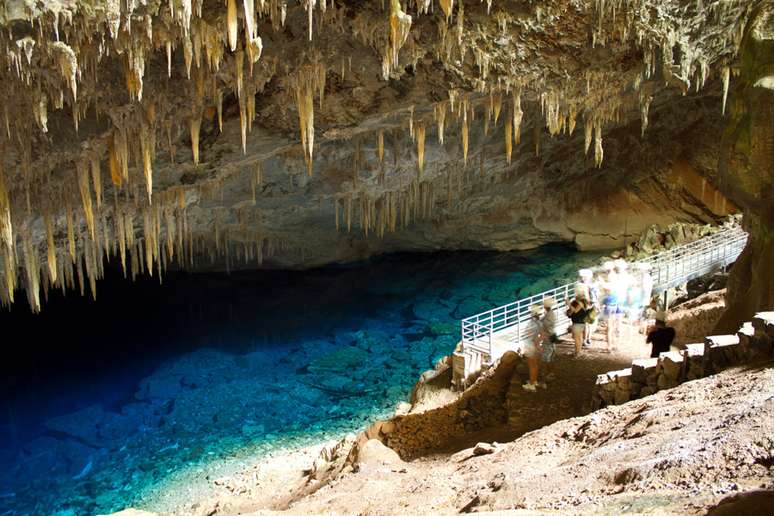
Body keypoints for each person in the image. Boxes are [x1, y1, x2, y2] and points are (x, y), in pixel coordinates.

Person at [522, 304, 544, 391]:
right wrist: (538, 343)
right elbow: (542, 335)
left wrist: (535, 343)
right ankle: (534, 381)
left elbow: (529, 334)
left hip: (530, 345)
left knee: (532, 365)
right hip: (534, 345)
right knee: (535, 364)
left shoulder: (532, 323)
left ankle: (531, 385)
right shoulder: (539, 322)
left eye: (530, 312)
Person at [578, 269, 599, 347]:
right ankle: (588, 339)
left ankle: (585, 340)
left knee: (586, 324)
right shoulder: (593, 285)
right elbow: (596, 297)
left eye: (583, 277)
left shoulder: (582, 285)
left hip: (585, 306)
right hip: (591, 306)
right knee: (589, 324)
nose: (582, 278)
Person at [566, 286, 588, 357]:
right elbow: (572, 311)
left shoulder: (581, 302)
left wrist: (568, 303)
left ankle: (577, 353)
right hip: (580, 322)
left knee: (577, 338)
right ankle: (577, 351)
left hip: (578, 322)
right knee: (578, 338)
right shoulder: (583, 301)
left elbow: (575, 311)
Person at [540, 296, 558, 382]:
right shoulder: (550, 313)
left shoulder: (549, 315)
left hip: (548, 337)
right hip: (551, 336)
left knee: (547, 357)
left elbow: (544, 326)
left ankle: (548, 374)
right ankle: (550, 373)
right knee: (550, 356)